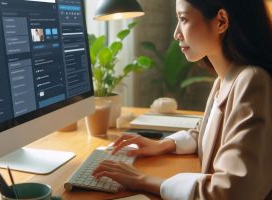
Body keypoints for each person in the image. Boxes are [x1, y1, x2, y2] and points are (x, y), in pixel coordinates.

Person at [92, 0, 272, 199]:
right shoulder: (225, 79)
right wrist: (163, 144)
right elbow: (214, 133)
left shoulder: (253, 81)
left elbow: (233, 191)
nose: (176, 33)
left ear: (221, 21)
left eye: (183, 19)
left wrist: (143, 180)